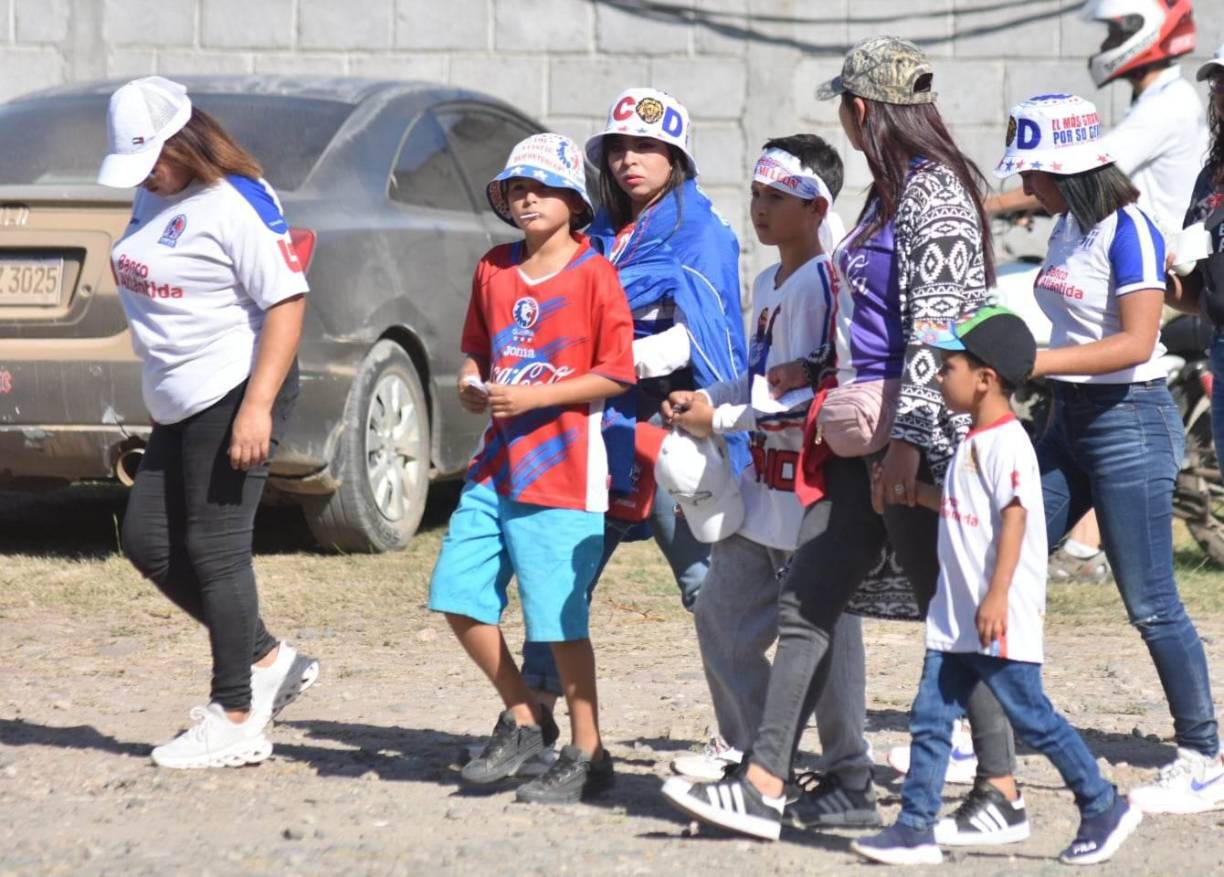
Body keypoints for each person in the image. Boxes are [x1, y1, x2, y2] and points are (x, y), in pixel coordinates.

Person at [658, 37, 1021, 842]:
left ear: (860, 110)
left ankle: (1002, 787)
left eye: (845, 110)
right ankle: (775, 785)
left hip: (914, 445)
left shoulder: (935, 193)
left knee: (947, 616)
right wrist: (815, 374)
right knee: (809, 600)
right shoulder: (892, 192)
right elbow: (873, 324)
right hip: (865, 445)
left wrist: (910, 443)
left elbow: (939, 328)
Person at [995, 93, 1224, 814]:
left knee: (1152, 604)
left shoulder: (1131, 231)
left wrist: (1035, 361)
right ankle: (986, 730)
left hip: (1130, 424)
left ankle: (1203, 756)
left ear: (1066, 169)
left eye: (1031, 170)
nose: (1024, 184)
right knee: (1003, 560)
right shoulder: (1069, 226)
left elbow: (1134, 342)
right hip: (1069, 421)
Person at [851, 307, 1143, 867]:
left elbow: (1015, 518)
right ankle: (914, 829)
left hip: (994, 616)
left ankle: (1103, 804)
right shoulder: (974, 440)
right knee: (930, 719)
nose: (939, 376)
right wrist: (911, 495)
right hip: (956, 617)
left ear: (984, 378)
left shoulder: (1007, 442)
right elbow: (963, 509)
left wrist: (996, 595)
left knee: (1033, 717)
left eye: (948, 367)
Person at [99, 77, 319, 769]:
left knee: (215, 549)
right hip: (181, 397)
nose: (147, 175)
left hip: (237, 388)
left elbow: (286, 301)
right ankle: (269, 659)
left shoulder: (234, 201)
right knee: (148, 540)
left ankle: (236, 716)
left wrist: (257, 406)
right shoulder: (155, 192)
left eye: (153, 160)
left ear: (185, 141)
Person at [659, 136, 874, 809]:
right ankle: (756, 756)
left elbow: (820, 396)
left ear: (816, 208)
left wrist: (721, 420)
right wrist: (708, 398)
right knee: (721, 618)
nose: (759, 207)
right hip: (760, 492)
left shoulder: (827, 283)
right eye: (755, 194)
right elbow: (762, 381)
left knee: (828, 638)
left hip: (812, 492)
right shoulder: (767, 282)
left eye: (776, 197)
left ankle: (846, 769)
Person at [518, 87, 746, 711]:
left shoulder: (701, 232)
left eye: (647, 146)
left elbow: (703, 337)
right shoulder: (603, 231)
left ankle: (751, 733)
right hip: (597, 426)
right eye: (619, 148)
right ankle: (532, 724)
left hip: (669, 430)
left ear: (677, 156)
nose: (629, 160)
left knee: (706, 586)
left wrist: (616, 362)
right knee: (561, 578)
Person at [427, 133, 636, 805]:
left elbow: (617, 373)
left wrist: (537, 398)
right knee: (457, 593)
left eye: (542, 188)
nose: (527, 199)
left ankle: (589, 751)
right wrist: (470, 381)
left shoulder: (595, 273)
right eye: (517, 188)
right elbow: (476, 350)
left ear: (575, 202)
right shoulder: (493, 268)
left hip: (564, 470)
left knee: (559, 623)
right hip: (495, 465)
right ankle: (522, 718)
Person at [989, 0, 1205, 583]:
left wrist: (992, 205)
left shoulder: (1167, 107)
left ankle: (1085, 547)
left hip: (1135, 291)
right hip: (1080, 391)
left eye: (1114, 32)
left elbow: (1092, 168)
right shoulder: (1075, 218)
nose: (1106, 44)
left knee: (1152, 604)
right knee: (1008, 549)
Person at [1168, 45, 1224, 474]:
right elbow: (1199, 292)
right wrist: (1154, 275)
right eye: (1218, 83)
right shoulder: (1212, 177)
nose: (1220, 92)